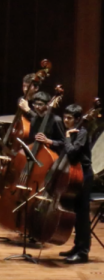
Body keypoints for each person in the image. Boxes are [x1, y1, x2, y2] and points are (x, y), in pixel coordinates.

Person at [45, 104, 94, 263]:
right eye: (65, 117)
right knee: (76, 214)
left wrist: (66, 138)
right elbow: (64, 145)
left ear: (78, 119)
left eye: (70, 118)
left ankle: (83, 252)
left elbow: (72, 153)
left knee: (82, 215)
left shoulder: (82, 133)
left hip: (84, 176)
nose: (66, 120)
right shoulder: (73, 132)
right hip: (76, 175)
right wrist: (50, 141)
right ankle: (76, 247)